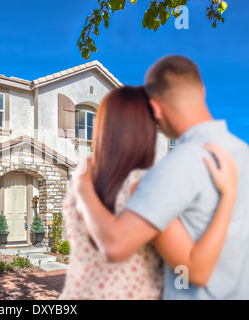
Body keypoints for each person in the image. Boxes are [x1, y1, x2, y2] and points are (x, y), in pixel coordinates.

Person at [68, 55, 249, 300]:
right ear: (202, 90)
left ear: (155, 108)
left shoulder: (174, 167)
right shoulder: (242, 153)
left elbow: (115, 246)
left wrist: (82, 187)